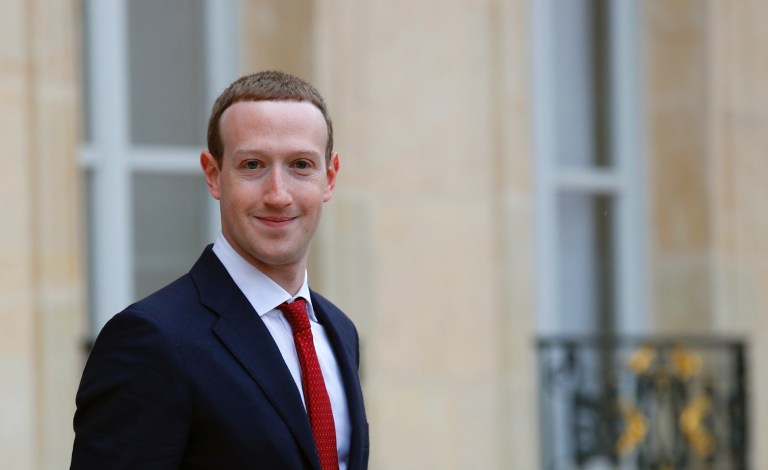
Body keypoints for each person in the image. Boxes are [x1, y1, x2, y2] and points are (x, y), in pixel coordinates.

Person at [71, 71, 369, 470]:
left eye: (300, 164)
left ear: (329, 177)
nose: (278, 195)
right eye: (252, 165)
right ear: (214, 175)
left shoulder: (338, 330)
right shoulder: (151, 340)